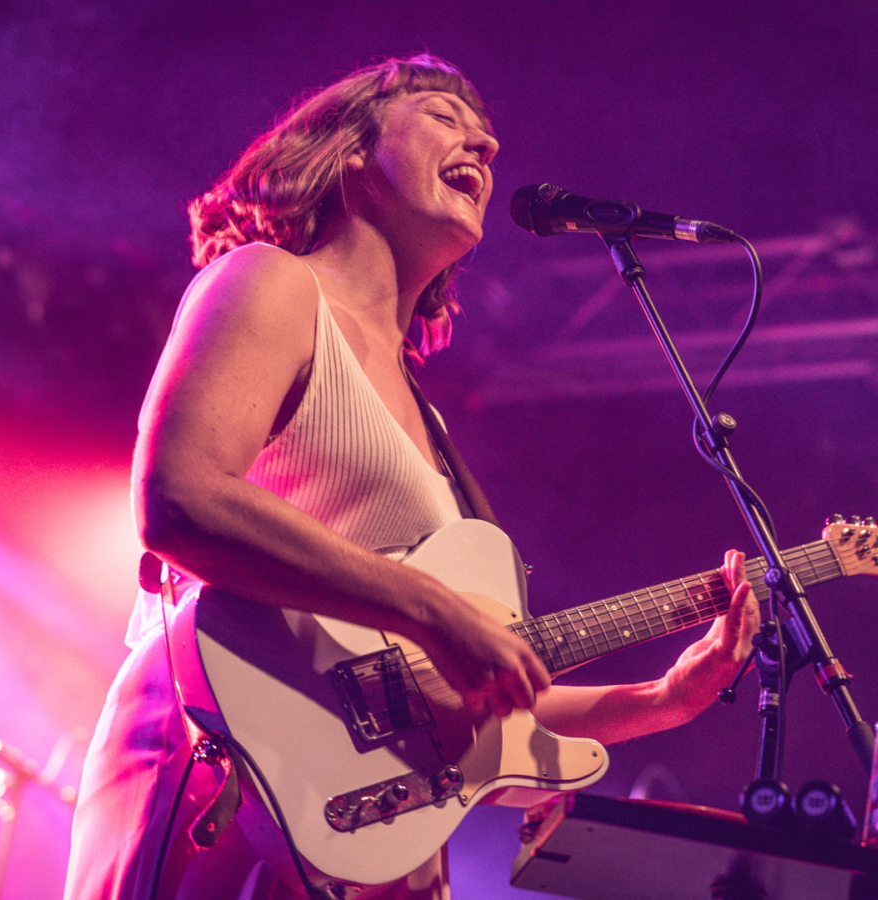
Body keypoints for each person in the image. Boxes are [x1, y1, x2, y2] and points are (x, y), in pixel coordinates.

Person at [63, 54, 759, 900]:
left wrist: (662, 699)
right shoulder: (271, 283)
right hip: (227, 774)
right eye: (444, 116)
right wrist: (432, 609)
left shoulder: (426, 421)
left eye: (486, 136)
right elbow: (179, 499)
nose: (485, 144)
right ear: (351, 150)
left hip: (364, 841)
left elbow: (437, 709)